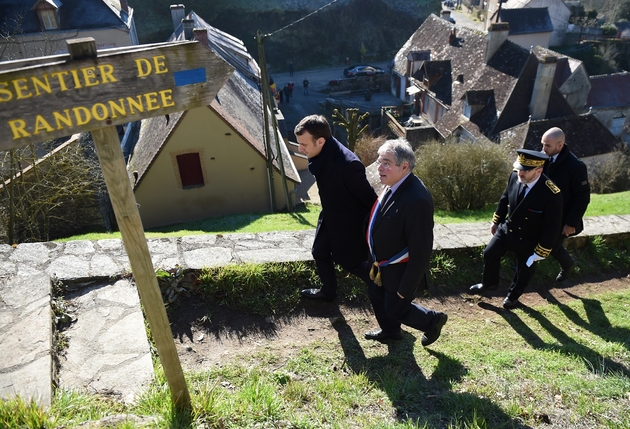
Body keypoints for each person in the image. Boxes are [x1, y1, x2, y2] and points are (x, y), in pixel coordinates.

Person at [364, 138, 447, 346]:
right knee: (375, 293)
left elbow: (421, 250)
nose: (379, 167)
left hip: (399, 269)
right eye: (379, 161)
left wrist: (407, 287)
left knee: (396, 307)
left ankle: (433, 320)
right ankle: (390, 331)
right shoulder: (394, 184)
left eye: (386, 163)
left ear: (404, 166)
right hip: (381, 265)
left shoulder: (417, 199)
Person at [295, 115, 377, 301]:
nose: (300, 149)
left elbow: (370, 200)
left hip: (348, 223)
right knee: (319, 251)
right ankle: (328, 292)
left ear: (321, 141)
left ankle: (385, 288)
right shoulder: (322, 152)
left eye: (304, 145)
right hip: (330, 214)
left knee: (351, 263)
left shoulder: (349, 165)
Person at [470, 149, 563, 309]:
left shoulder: (551, 193)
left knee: (524, 269)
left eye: (526, 170)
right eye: (519, 168)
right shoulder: (514, 176)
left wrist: (541, 251)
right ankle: (489, 284)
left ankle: (513, 296)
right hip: (509, 229)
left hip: (530, 237)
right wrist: (496, 221)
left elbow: (552, 226)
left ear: (539, 170)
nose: (521, 173)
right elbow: (504, 198)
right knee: (490, 253)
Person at [540, 127, 590, 282]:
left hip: (563, 216)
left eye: (547, 145)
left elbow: (582, 198)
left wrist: (570, 223)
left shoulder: (576, 166)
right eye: (543, 144)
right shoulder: (544, 156)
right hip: (544, 211)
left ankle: (568, 265)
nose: (543, 148)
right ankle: (524, 265)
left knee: (553, 246)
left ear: (560, 145)